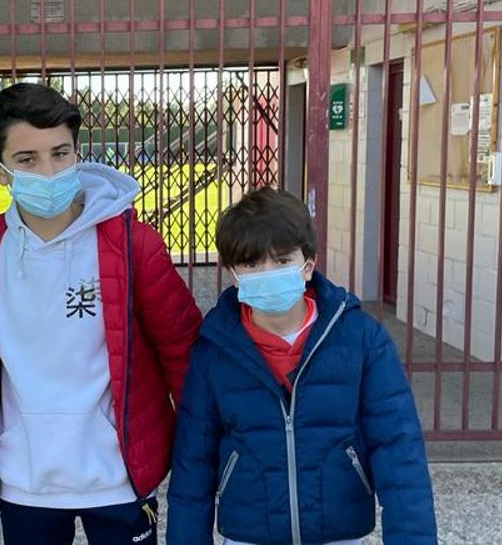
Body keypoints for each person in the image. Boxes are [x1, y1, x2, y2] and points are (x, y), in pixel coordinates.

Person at [0, 83, 202, 545]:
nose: (48, 171)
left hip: (117, 476)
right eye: (27, 159)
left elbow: (182, 351)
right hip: (25, 479)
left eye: (60, 153)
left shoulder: (133, 244)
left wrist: (198, 454)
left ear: (77, 153)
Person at [166, 188, 437, 545]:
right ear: (233, 273)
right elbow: (192, 467)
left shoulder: (360, 339)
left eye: (281, 261)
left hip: (338, 531)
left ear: (308, 266)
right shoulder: (214, 351)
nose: (267, 272)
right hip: (250, 533)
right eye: (251, 263)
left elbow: (399, 451)